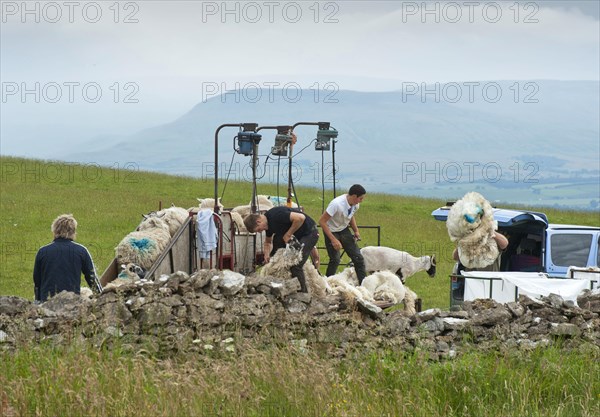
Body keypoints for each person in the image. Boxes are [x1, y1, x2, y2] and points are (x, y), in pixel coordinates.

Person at [244, 206, 319, 293]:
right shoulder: (268, 226)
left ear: (258, 221)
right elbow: (267, 242)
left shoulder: (276, 215)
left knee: (296, 265)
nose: (260, 232)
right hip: (297, 235)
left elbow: (300, 218)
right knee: (276, 251)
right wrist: (267, 255)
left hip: (309, 233)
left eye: (259, 229)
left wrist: (288, 234)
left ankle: (303, 293)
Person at [33, 214, 102, 302]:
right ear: (73, 231)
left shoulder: (42, 251)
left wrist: (38, 301)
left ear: (54, 231)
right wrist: (101, 298)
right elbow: (92, 277)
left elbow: (37, 281)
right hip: (71, 304)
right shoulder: (81, 251)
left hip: (47, 302)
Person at [319, 184, 367, 284]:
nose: (361, 201)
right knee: (335, 260)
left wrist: (356, 231)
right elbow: (322, 222)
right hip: (331, 230)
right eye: (361, 198)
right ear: (354, 196)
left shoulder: (355, 204)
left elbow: (351, 216)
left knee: (358, 258)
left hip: (344, 229)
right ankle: (327, 284)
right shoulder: (336, 204)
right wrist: (333, 240)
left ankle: (364, 285)